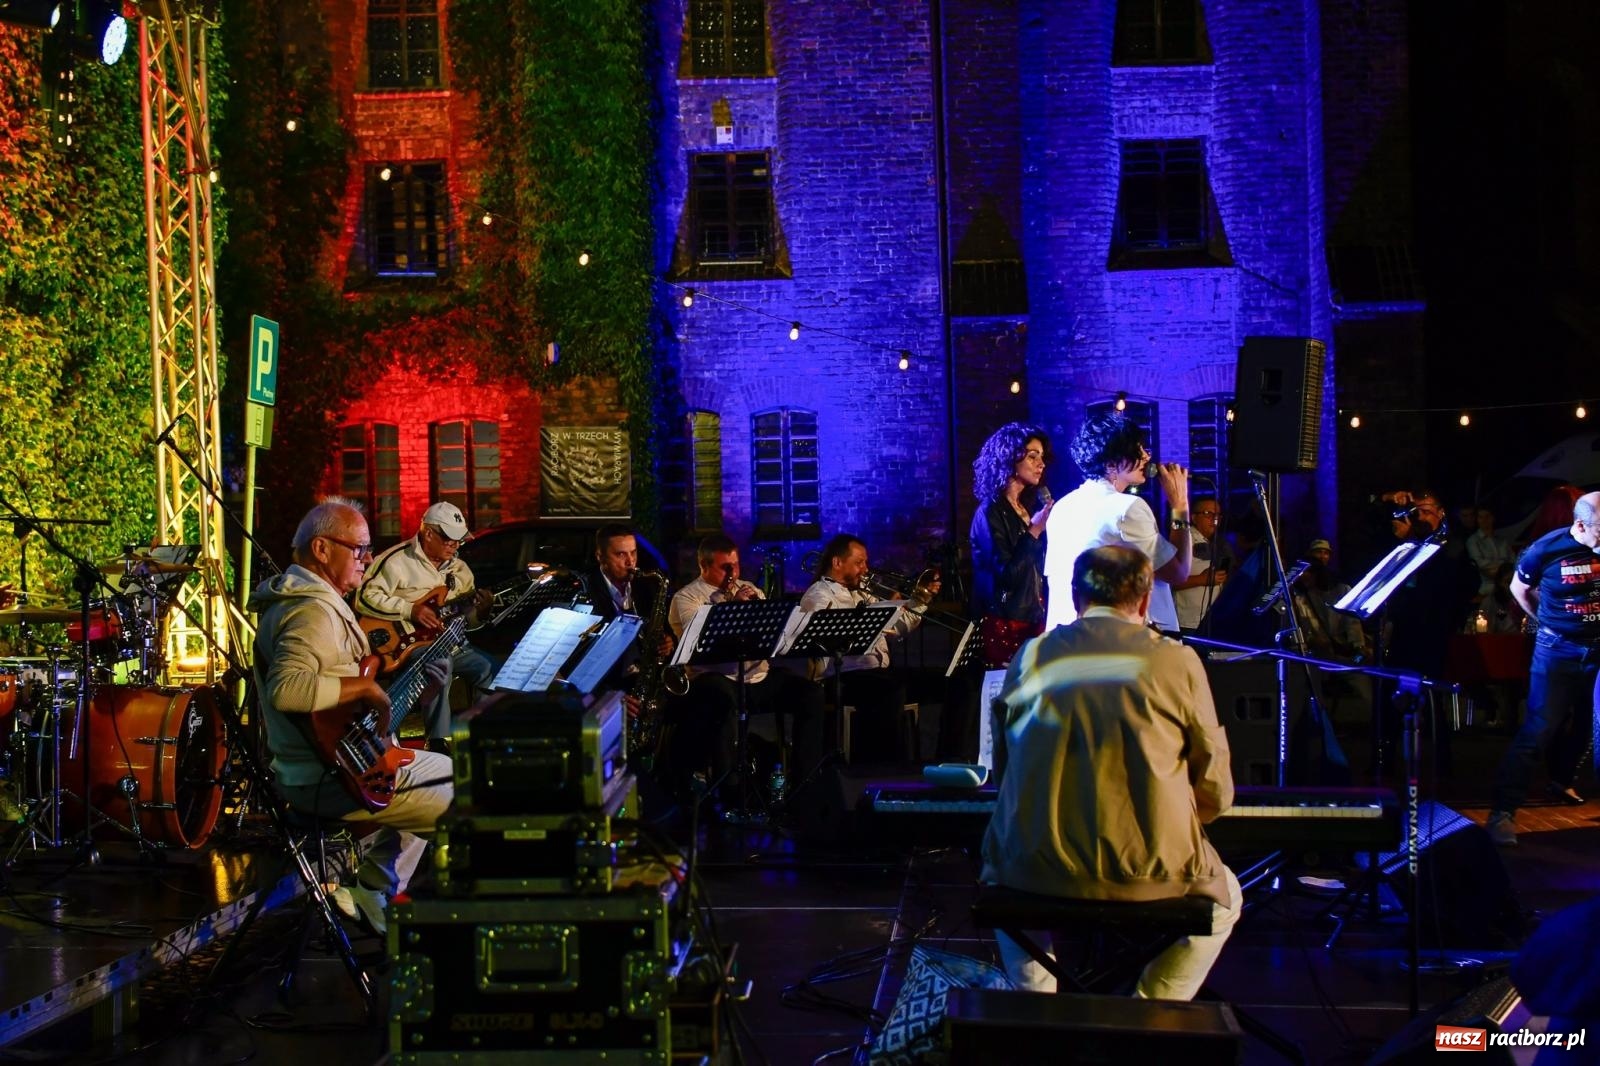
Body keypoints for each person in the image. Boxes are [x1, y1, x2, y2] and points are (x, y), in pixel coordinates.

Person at [981, 545, 1240, 999]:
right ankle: (1149, 1009)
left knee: (1009, 887)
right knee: (1227, 901)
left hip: (1034, 864)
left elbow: (1004, 771)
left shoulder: (1031, 655)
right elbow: (1215, 786)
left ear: (1074, 596)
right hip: (1150, 868)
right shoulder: (1177, 660)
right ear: (1145, 599)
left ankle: (1034, 1006)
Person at [251, 498, 452, 936]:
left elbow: (342, 712)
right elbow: (287, 689)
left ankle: (374, 888)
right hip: (327, 780)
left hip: (339, 764)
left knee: (441, 769)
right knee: (474, 800)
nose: (367, 559)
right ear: (322, 549)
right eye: (359, 548)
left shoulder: (317, 604)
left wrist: (420, 692)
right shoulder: (308, 611)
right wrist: (364, 688)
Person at [1485, 491, 1600, 846]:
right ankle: (1503, 812)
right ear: (1580, 525)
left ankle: (1566, 782)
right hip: (1557, 650)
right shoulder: (1547, 548)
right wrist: (1548, 623)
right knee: (1538, 729)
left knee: (1595, 728)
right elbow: (1518, 588)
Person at [668, 533, 824, 788]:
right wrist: (733, 607)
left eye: (736, 565)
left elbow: (775, 637)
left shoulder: (751, 589)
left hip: (756, 676)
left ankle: (805, 782)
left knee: (811, 694)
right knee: (720, 699)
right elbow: (698, 638)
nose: (733, 574)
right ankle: (728, 786)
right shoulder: (687, 597)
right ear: (704, 566)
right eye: (725, 567)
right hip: (714, 677)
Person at [799, 534, 954, 763]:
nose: (865, 569)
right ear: (837, 562)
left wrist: (920, 600)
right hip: (843, 675)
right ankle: (886, 766)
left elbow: (897, 629)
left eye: (866, 562)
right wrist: (872, 619)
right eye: (859, 562)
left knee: (949, 680)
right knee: (891, 688)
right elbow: (822, 638)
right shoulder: (818, 595)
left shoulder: (863, 591)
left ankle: (948, 759)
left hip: (877, 672)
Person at [356, 501, 496, 754]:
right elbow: (364, 597)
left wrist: (482, 613)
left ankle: (479, 737)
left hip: (452, 642)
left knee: (489, 669)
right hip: (405, 645)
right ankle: (438, 741)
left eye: (459, 540)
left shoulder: (461, 569)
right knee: (440, 663)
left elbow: (468, 622)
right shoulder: (396, 560)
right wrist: (410, 610)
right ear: (428, 533)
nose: (455, 545)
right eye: (449, 539)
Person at [1043, 413, 1191, 633]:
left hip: (1066, 637)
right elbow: (1178, 573)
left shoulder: (1062, 507)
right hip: (1118, 639)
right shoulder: (1128, 508)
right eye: (1137, 450)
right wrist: (1180, 505)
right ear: (1111, 464)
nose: (1146, 456)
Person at [968, 423, 1055, 666]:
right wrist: (1034, 531)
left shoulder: (1024, 509)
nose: (1041, 464)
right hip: (1005, 624)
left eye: (1042, 457)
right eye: (1032, 456)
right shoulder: (990, 511)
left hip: (1032, 619)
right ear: (1008, 459)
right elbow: (1006, 575)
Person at [1171, 496, 1228, 633]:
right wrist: (1202, 579)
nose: (1214, 519)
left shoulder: (1218, 542)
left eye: (1218, 515)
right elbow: (1169, 581)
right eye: (1208, 514)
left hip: (1211, 620)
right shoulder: (1183, 539)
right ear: (1194, 518)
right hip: (1189, 623)